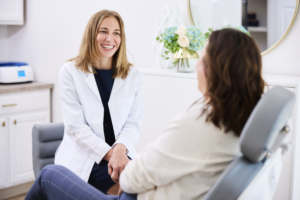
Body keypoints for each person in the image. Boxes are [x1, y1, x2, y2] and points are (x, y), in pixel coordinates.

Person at [25, 28, 265, 200]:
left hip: (133, 193)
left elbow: (132, 180)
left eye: (202, 57)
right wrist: (118, 157)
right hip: (108, 165)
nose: (197, 64)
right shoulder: (243, 120)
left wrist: (123, 156)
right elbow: (77, 128)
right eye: (104, 31)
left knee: (49, 175)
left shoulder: (199, 121)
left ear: (214, 68)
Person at [54, 10, 143, 195]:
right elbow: (76, 127)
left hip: (120, 153)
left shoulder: (133, 75)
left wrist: (119, 149)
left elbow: (133, 124)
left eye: (116, 33)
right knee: (128, 190)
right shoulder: (70, 72)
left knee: (144, 185)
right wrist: (113, 155)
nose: (110, 38)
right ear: (91, 34)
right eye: (103, 31)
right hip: (87, 157)